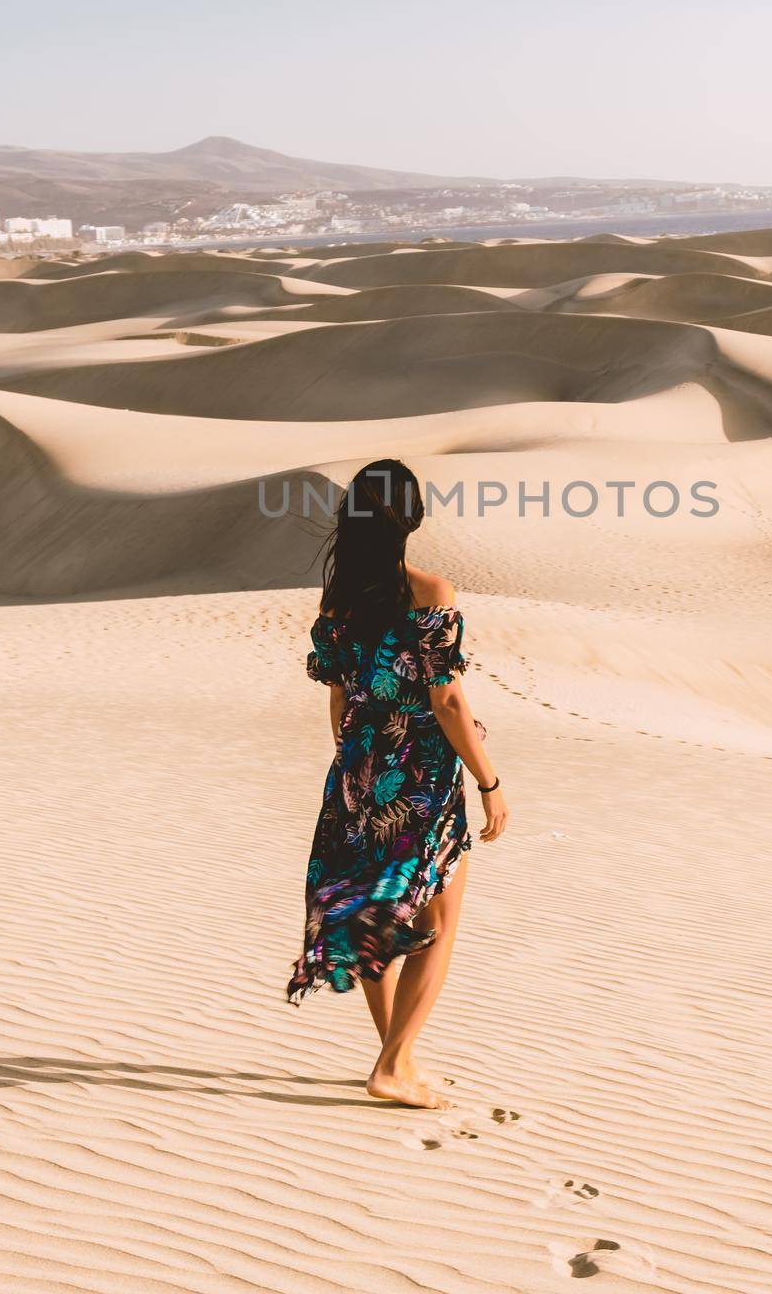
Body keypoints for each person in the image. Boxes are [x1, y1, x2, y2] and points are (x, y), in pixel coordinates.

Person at [287, 458, 509, 1110]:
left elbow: (337, 698)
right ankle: (389, 1066)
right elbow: (447, 702)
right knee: (437, 924)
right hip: (421, 779)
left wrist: (356, 768)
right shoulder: (430, 594)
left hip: (355, 774)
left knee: (377, 924)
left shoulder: (339, 603)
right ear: (409, 518)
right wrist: (489, 782)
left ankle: (399, 1057)